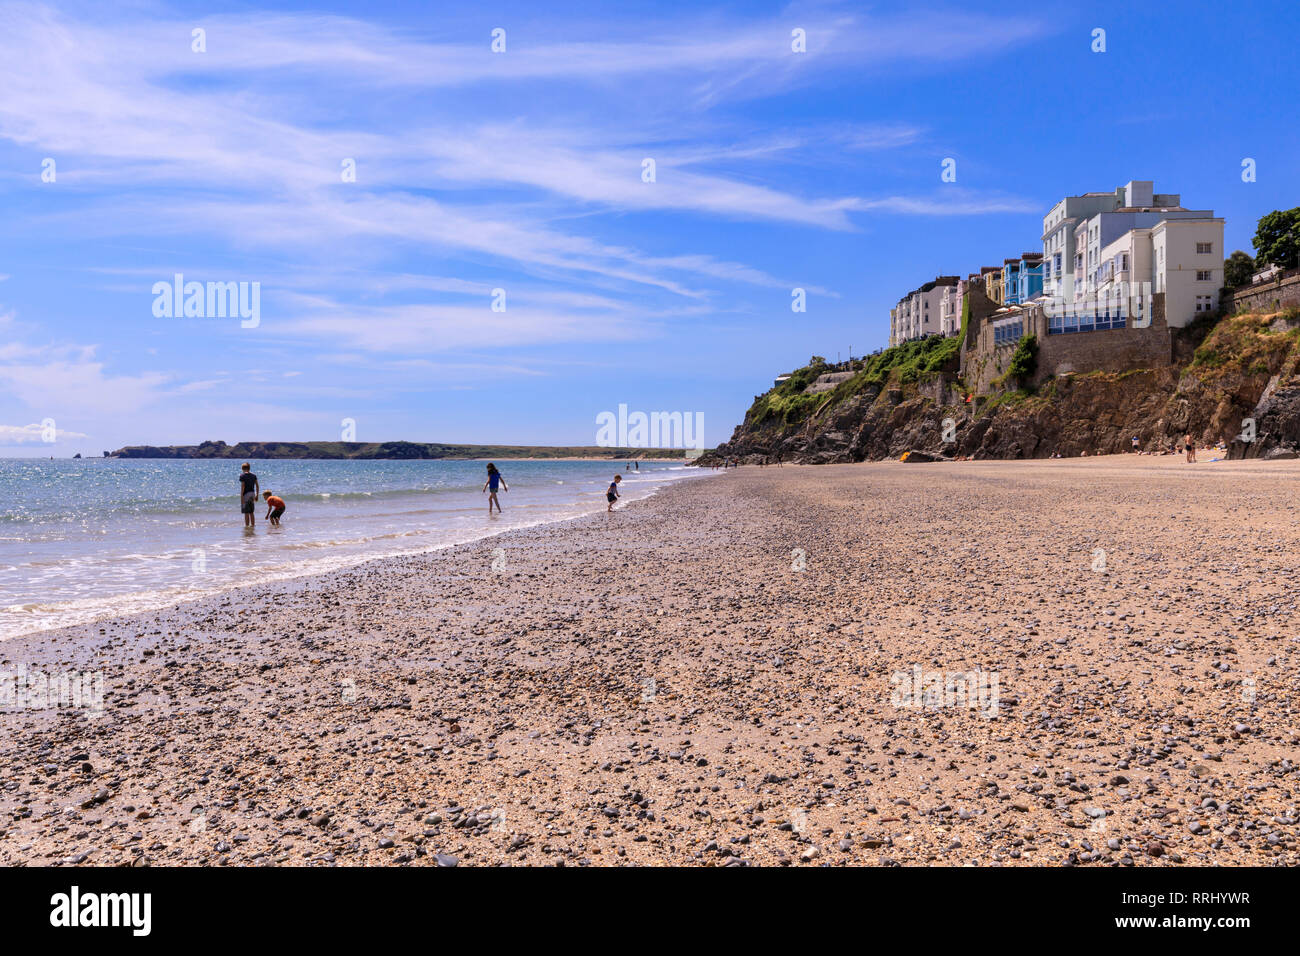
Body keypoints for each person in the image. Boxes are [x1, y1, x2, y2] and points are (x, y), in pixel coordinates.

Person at [239, 462, 259, 527]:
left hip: (246, 494)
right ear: (249, 468)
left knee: (246, 512)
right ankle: (253, 525)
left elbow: (243, 486)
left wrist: (241, 497)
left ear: (242, 469)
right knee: (251, 512)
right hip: (252, 494)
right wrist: (257, 495)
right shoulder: (254, 475)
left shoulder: (242, 476)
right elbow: (257, 485)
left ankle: (247, 526)